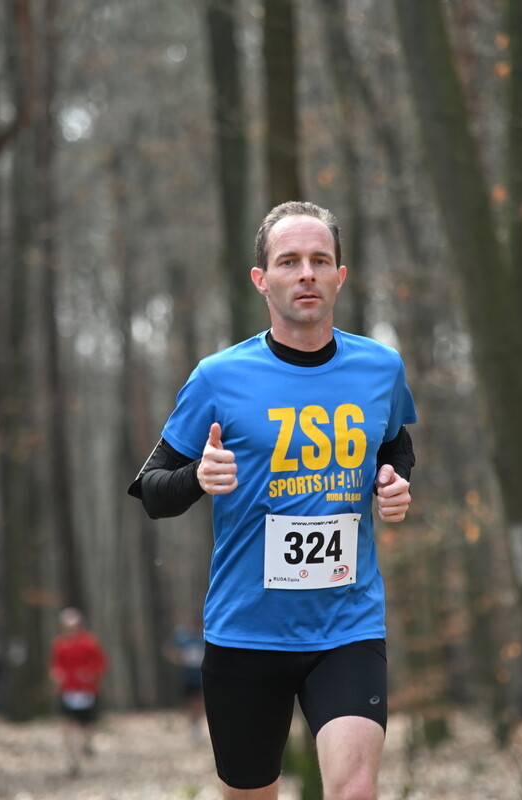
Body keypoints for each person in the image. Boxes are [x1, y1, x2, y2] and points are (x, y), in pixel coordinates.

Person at [128, 201, 416, 800]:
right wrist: (197, 479)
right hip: (246, 632)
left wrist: (390, 482)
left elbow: (395, 445)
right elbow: (153, 491)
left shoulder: (380, 368)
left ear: (342, 275)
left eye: (320, 260)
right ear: (263, 280)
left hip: (347, 624)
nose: (306, 273)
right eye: (289, 261)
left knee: (355, 790)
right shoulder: (218, 377)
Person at [49, 607, 109, 775]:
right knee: (66, 724)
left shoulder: (90, 642)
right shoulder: (59, 644)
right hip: (66, 690)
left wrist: (89, 673)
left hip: (86, 691)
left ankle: (88, 742)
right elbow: (55, 664)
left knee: (86, 724)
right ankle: (73, 760)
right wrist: (56, 673)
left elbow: (101, 664)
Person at [165, 620, 207, 738]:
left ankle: (198, 725)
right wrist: (180, 657)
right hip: (187, 676)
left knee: (199, 701)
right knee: (188, 702)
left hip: (201, 676)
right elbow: (169, 650)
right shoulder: (182, 636)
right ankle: (192, 725)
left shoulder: (204, 637)